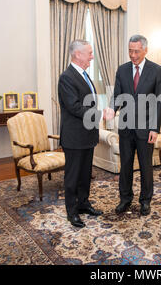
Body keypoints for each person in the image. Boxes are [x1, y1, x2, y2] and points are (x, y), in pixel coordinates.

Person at [104, 35, 161, 216]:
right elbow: (117, 96)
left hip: (146, 128)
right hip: (126, 127)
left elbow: (159, 101)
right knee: (126, 165)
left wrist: (155, 128)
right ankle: (125, 199)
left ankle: (145, 201)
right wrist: (112, 110)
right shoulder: (122, 70)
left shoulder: (156, 70)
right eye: (130, 51)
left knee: (146, 166)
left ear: (145, 50)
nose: (133, 55)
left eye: (136, 51)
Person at [58, 40, 103, 228]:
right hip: (74, 136)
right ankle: (72, 212)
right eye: (89, 53)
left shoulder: (85, 75)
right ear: (78, 54)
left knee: (85, 174)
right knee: (73, 177)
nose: (92, 56)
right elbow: (75, 107)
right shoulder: (66, 77)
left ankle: (84, 204)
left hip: (88, 135)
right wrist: (100, 114)